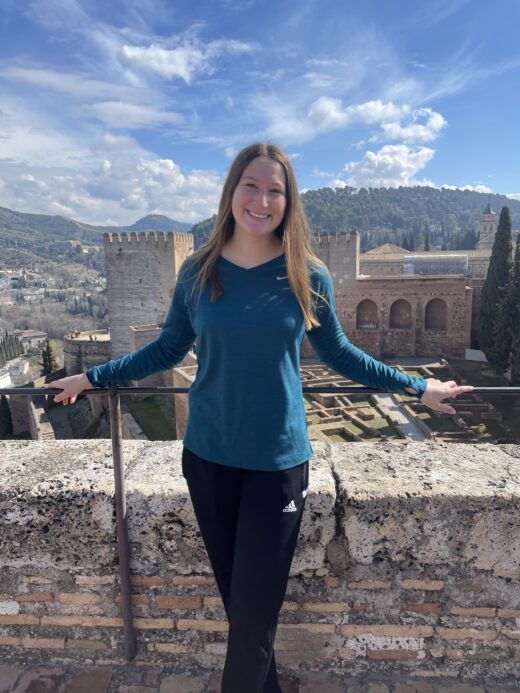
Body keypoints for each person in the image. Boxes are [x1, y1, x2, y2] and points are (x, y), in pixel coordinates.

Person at [48, 142, 473, 693]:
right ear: (232, 191)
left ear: (287, 202)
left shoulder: (306, 274)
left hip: (278, 467)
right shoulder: (199, 274)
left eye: (276, 190)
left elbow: (342, 355)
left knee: (252, 619)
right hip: (207, 459)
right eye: (252, 185)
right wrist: (90, 378)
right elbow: (166, 350)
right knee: (243, 610)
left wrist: (418, 387)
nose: (262, 199)